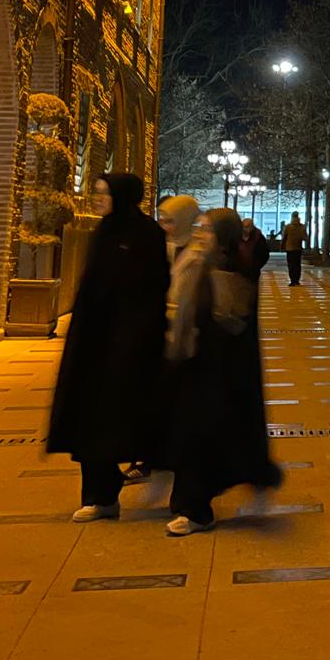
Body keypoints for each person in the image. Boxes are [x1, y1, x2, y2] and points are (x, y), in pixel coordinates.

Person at [46, 173, 169, 523]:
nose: (96, 198)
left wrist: (134, 339)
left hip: (129, 346)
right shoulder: (103, 232)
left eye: (104, 193)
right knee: (88, 422)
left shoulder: (146, 234)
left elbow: (152, 290)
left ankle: (161, 475)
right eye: (96, 192)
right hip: (93, 345)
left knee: (122, 419)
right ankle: (99, 497)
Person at [157, 208, 283, 535]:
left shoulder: (231, 272)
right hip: (193, 368)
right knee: (190, 439)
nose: (201, 235)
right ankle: (190, 505)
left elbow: (231, 324)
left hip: (217, 375)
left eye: (208, 230)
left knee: (203, 440)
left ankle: (197, 510)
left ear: (223, 236)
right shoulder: (200, 264)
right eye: (199, 227)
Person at [158, 194, 199, 263]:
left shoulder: (199, 253)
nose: (164, 227)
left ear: (184, 221)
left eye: (169, 221)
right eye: (162, 221)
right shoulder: (170, 245)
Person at [281, 211, 307, 286]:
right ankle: (297, 280)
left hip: (289, 248)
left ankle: (292, 281)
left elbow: (284, 237)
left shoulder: (288, 226)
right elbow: (305, 237)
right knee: (297, 265)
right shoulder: (302, 226)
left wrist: (282, 246)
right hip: (298, 248)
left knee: (291, 265)